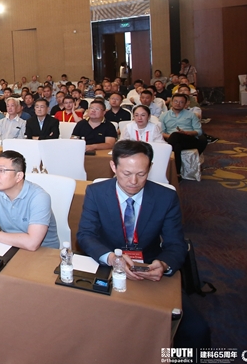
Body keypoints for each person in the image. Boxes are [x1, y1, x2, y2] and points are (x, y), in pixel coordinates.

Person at [77, 140, 210, 348]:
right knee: (91, 321)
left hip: (150, 268)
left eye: (141, 174)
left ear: (150, 168)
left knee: (196, 330)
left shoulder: (166, 197)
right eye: (126, 173)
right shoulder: (96, 192)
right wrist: (112, 258)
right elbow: (85, 235)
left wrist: (163, 264)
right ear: (113, 167)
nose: (133, 181)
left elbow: (176, 244)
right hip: (108, 265)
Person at [160, 94, 207, 174]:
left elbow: (199, 131)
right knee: (177, 146)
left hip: (188, 138)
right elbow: (161, 132)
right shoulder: (164, 115)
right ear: (171, 102)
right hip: (171, 138)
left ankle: (167, 168)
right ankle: (177, 173)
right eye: (176, 101)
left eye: (181, 102)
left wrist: (186, 133)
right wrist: (171, 136)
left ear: (185, 104)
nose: (178, 104)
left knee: (176, 136)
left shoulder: (191, 115)